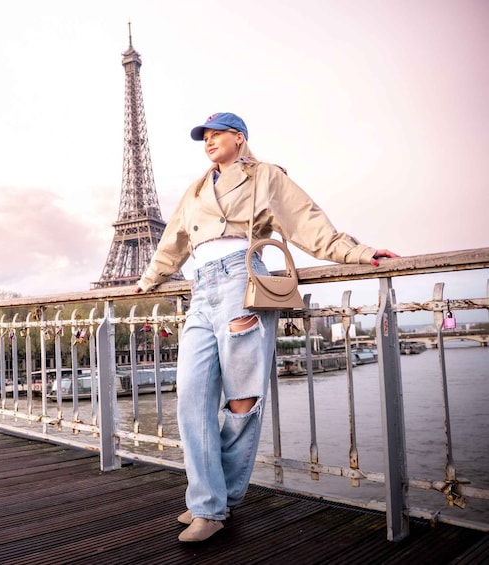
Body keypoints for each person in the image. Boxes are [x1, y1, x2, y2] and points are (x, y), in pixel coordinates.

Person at [135, 112, 397, 543]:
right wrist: (146, 281)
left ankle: (211, 506)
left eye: (217, 134)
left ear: (239, 138)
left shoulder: (266, 177)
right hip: (201, 291)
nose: (209, 141)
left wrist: (360, 252)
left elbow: (309, 224)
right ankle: (211, 497)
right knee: (191, 399)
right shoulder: (197, 189)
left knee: (242, 402)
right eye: (204, 136)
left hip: (243, 281)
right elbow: (173, 244)